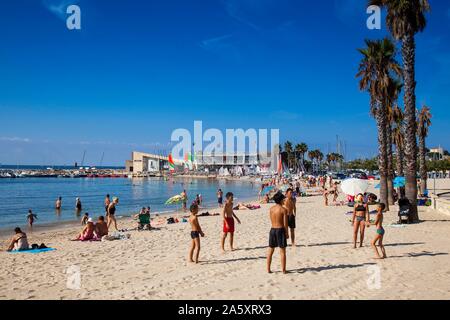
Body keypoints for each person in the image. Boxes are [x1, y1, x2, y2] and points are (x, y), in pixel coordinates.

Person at [267, 191, 289, 274]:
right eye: (283, 199)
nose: (284, 200)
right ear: (280, 200)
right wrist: (287, 233)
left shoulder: (271, 209)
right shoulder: (283, 210)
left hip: (272, 229)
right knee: (282, 251)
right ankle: (283, 270)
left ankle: (268, 269)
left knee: (270, 250)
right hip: (280, 230)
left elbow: (271, 219)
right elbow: (285, 224)